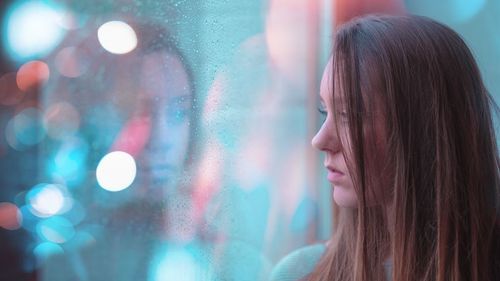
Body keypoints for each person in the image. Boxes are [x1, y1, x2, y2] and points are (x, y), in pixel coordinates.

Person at [271, 14, 500, 281]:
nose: (319, 140)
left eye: (349, 115)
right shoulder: (301, 274)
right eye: (325, 111)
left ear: (422, 127)